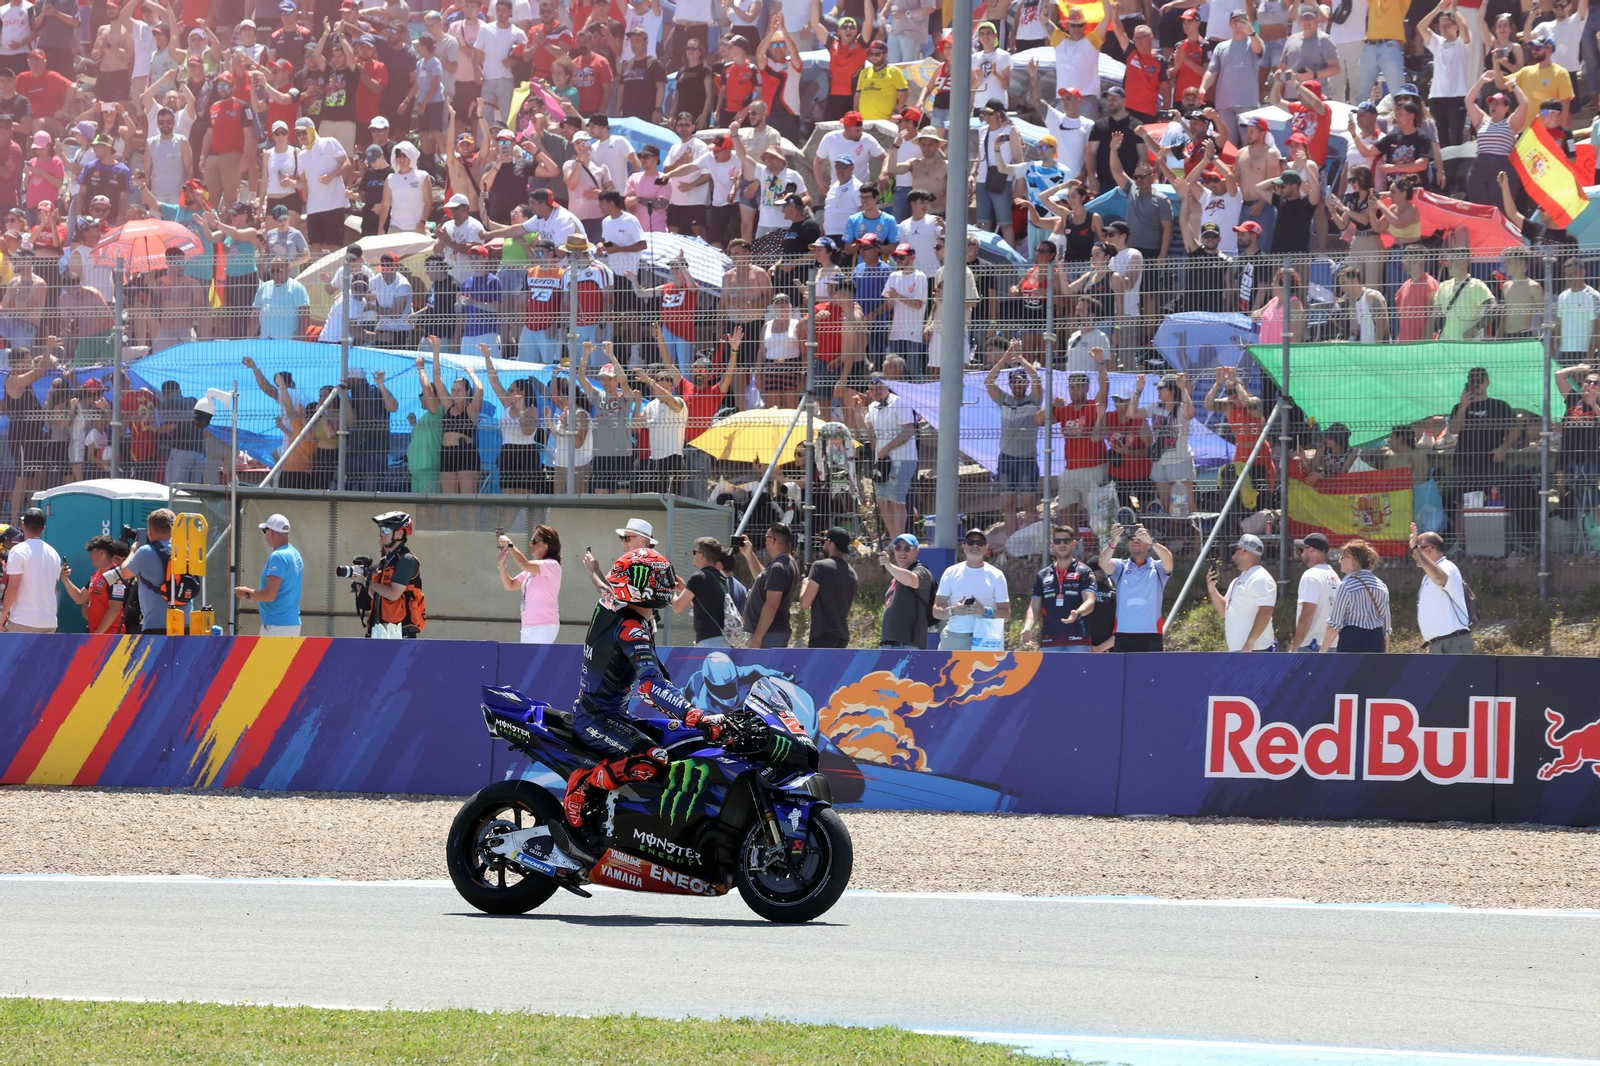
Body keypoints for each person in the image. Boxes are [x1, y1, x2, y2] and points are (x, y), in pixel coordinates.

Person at [562, 546, 725, 849]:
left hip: (614, 715)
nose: (667, 584)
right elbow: (650, 687)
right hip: (596, 718)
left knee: (679, 742)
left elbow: (659, 681)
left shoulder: (623, 612)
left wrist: (686, 714)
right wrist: (695, 716)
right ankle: (583, 784)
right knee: (652, 759)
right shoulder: (631, 628)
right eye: (659, 578)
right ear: (639, 583)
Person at [987, 345, 1042, 540]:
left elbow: (1036, 377)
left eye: (1021, 382)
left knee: (1029, 503)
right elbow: (989, 381)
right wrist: (1004, 359)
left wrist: (1020, 357)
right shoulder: (1004, 400)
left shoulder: (1034, 401)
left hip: (1027, 458)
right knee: (1008, 504)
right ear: (1009, 385)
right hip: (1007, 458)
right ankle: (1012, 544)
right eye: (1014, 382)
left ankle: (1034, 543)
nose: (1018, 385)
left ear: (1026, 384)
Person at [1096, 521, 1173, 651]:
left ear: (1148, 544)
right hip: (1122, 635)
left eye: (1141, 538)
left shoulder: (1158, 568)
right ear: (1128, 544)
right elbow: (1103, 562)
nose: (1136, 541)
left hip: (1151, 636)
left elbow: (1168, 559)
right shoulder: (1120, 566)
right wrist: (1114, 540)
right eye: (1132, 538)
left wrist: (1151, 541)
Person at [1019, 526, 1097, 652]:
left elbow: (1090, 601)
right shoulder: (1042, 575)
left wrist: (1078, 613)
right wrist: (1028, 627)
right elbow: (1034, 607)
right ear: (1053, 544)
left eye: (1066, 541)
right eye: (1057, 541)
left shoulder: (1084, 571)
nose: (1062, 544)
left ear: (1074, 544)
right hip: (1049, 642)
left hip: (1078, 642)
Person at [932, 528, 1010, 651]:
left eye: (980, 543)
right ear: (964, 547)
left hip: (987, 638)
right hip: (954, 637)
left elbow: (1006, 614)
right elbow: (936, 612)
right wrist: (953, 611)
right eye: (970, 542)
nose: (975, 545)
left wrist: (985, 611)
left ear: (986, 548)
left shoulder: (997, 575)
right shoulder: (950, 572)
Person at [115, 507, 188, 636]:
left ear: (150, 530)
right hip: (185, 622)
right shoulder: (184, 550)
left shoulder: (145, 551)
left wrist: (133, 551)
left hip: (157, 624)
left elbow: (125, 573)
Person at [359, 510, 426, 639]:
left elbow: (393, 594)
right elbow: (377, 595)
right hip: (381, 629)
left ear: (400, 532)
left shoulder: (406, 560)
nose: (382, 534)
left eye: (387, 530)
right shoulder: (386, 560)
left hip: (400, 632)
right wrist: (362, 581)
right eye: (381, 530)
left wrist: (369, 582)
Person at [234, 513, 303, 636]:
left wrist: (245, 593)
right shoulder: (295, 553)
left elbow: (269, 595)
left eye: (264, 530)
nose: (265, 534)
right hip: (287, 624)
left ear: (271, 532)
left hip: (277, 626)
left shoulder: (278, 556)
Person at [1409, 524, 1475, 654]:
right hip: (1439, 645)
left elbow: (1439, 578)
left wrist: (1414, 548)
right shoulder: (1427, 577)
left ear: (1429, 550)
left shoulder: (1447, 566)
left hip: (1452, 643)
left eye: (1417, 550)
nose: (1413, 555)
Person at [1207, 533, 1278, 652]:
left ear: (1243, 552)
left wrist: (1250, 642)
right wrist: (1212, 590)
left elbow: (1266, 610)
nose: (1232, 556)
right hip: (1241, 651)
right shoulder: (1238, 580)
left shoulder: (1260, 577)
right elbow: (1224, 611)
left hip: (1256, 651)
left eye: (1234, 551)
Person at [737, 522, 799, 649]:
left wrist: (758, 638)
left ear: (773, 540)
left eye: (766, 538)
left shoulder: (778, 567)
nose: (764, 542)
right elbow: (761, 578)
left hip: (769, 634)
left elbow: (771, 604)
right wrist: (749, 554)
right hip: (772, 633)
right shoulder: (785, 562)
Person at [497, 524, 563, 644]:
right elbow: (510, 585)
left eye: (534, 541)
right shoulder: (531, 571)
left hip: (544, 626)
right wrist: (501, 564)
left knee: (534, 662)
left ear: (547, 544)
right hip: (528, 627)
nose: (531, 544)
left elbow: (524, 564)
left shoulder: (552, 565)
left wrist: (510, 545)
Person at [1323, 538, 1390, 653]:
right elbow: (1386, 629)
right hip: (1376, 642)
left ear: (1352, 560)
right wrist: (1386, 655)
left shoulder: (1346, 585)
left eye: (1342, 557)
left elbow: (1334, 625)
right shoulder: (1381, 586)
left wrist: (1322, 652)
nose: (1339, 561)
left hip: (1352, 642)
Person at [0, 506, 61, 632]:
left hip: (23, 621)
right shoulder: (54, 553)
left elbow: (12, 589)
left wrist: (3, 616)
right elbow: (53, 589)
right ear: (43, 528)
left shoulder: (18, 550)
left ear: (23, 525)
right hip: (49, 622)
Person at [673, 536, 741, 647]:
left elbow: (677, 607)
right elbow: (704, 604)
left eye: (695, 552)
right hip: (724, 640)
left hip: (709, 641)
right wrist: (684, 589)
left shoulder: (699, 577)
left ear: (702, 555)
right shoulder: (721, 578)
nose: (694, 555)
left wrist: (670, 590)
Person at [798, 526, 858, 648]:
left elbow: (805, 604)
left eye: (824, 541)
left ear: (830, 542)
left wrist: (804, 583)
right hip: (842, 637)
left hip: (823, 635)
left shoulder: (820, 566)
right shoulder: (852, 573)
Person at [59, 535, 130, 635]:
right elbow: (80, 598)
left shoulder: (114, 576)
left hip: (111, 637)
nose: (90, 556)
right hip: (96, 634)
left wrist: (97, 635)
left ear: (101, 553)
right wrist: (65, 580)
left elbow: (114, 609)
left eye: (92, 552)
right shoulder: (96, 575)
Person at [878, 532, 933, 649]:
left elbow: (910, 580)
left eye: (907, 548)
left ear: (916, 552)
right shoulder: (894, 576)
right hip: (889, 643)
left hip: (909, 644)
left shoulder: (922, 571)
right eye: (898, 548)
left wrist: (888, 565)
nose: (902, 552)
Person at [1290, 531, 1340, 652]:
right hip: (1331, 644)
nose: (1300, 553)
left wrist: (1295, 646)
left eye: (1302, 548)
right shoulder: (1335, 576)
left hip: (1311, 646)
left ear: (1311, 550)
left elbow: (1307, 615)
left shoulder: (1311, 576)